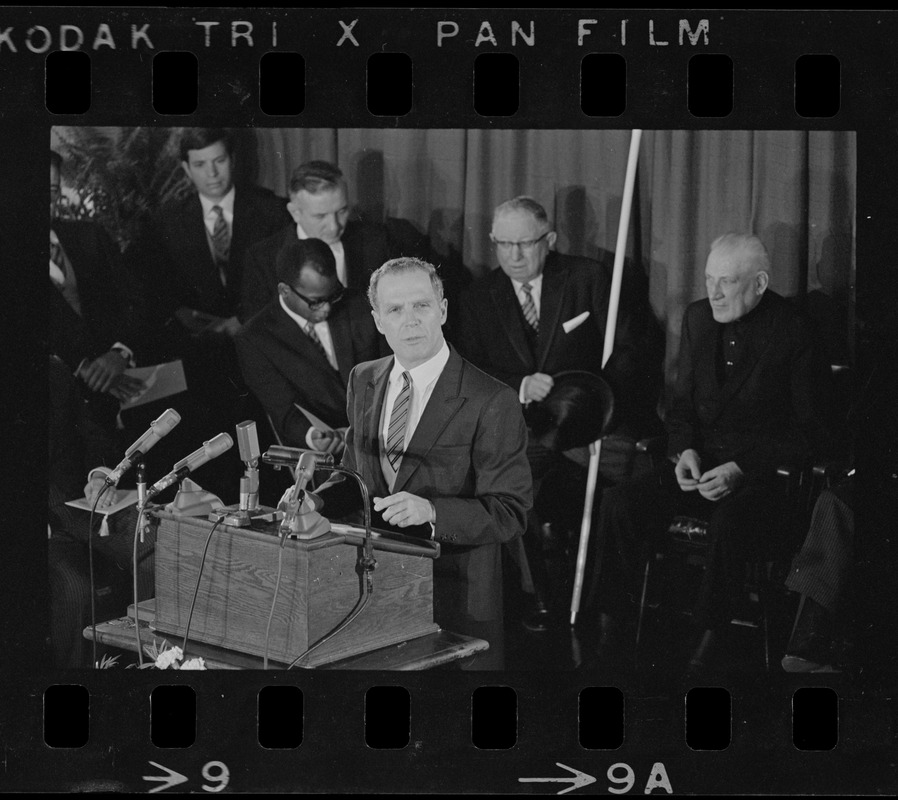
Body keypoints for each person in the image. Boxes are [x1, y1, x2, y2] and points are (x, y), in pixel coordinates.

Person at [589, 233, 833, 680]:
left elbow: (809, 432)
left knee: (730, 523)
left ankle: (709, 639)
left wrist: (743, 469)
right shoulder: (699, 318)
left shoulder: (794, 329)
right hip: (700, 467)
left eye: (727, 282)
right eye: (708, 279)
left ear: (759, 283)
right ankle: (611, 625)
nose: (714, 292)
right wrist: (683, 452)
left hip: (763, 480)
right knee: (619, 503)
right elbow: (681, 407)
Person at [318, 257, 532, 669]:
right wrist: (316, 502)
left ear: (443, 311)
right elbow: (354, 475)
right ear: (378, 320)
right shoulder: (363, 379)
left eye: (422, 306)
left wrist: (433, 511)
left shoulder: (491, 399)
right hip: (375, 588)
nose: (410, 321)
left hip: (456, 596)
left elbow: (511, 510)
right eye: (395, 310)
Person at [455, 196, 654, 629]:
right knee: (513, 486)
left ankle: (600, 607)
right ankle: (541, 597)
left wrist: (597, 408)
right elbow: (469, 370)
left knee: (622, 495)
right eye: (503, 244)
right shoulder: (477, 298)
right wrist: (520, 386)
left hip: (593, 430)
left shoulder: (588, 278)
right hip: (527, 433)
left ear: (550, 240)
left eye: (525, 243)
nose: (514, 255)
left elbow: (627, 352)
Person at [132, 127, 290, 337]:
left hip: (262, 335)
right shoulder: (166, 221)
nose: (212, 173)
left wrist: (244, 320)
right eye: (200, 164)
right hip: (197, 342)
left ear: (232, 159)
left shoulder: (274, 212)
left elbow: (286, 281)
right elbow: (156, 287)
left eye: (219, 161)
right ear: (186, 169)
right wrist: (181, 314)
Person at [235, 238, 387, 452]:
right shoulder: (255, 339)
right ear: (284, 290)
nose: (326, 309)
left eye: (333, 295)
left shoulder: (361, 307)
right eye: (315, 302)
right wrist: (313, 436)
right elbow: (283, 410)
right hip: (325, 458)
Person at [49, 150, 146, 468]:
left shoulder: (89, 236)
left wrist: (119, 353)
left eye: (51, 191)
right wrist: (85, 368)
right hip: (54, 404)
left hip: (121, 386)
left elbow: (135, 301)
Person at [240, 160, 393, 321]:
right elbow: (258, 333)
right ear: (295, 213)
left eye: (342, 211)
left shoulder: (376, 242)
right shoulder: (262, 259)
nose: (334, 227)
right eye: (320, 216)